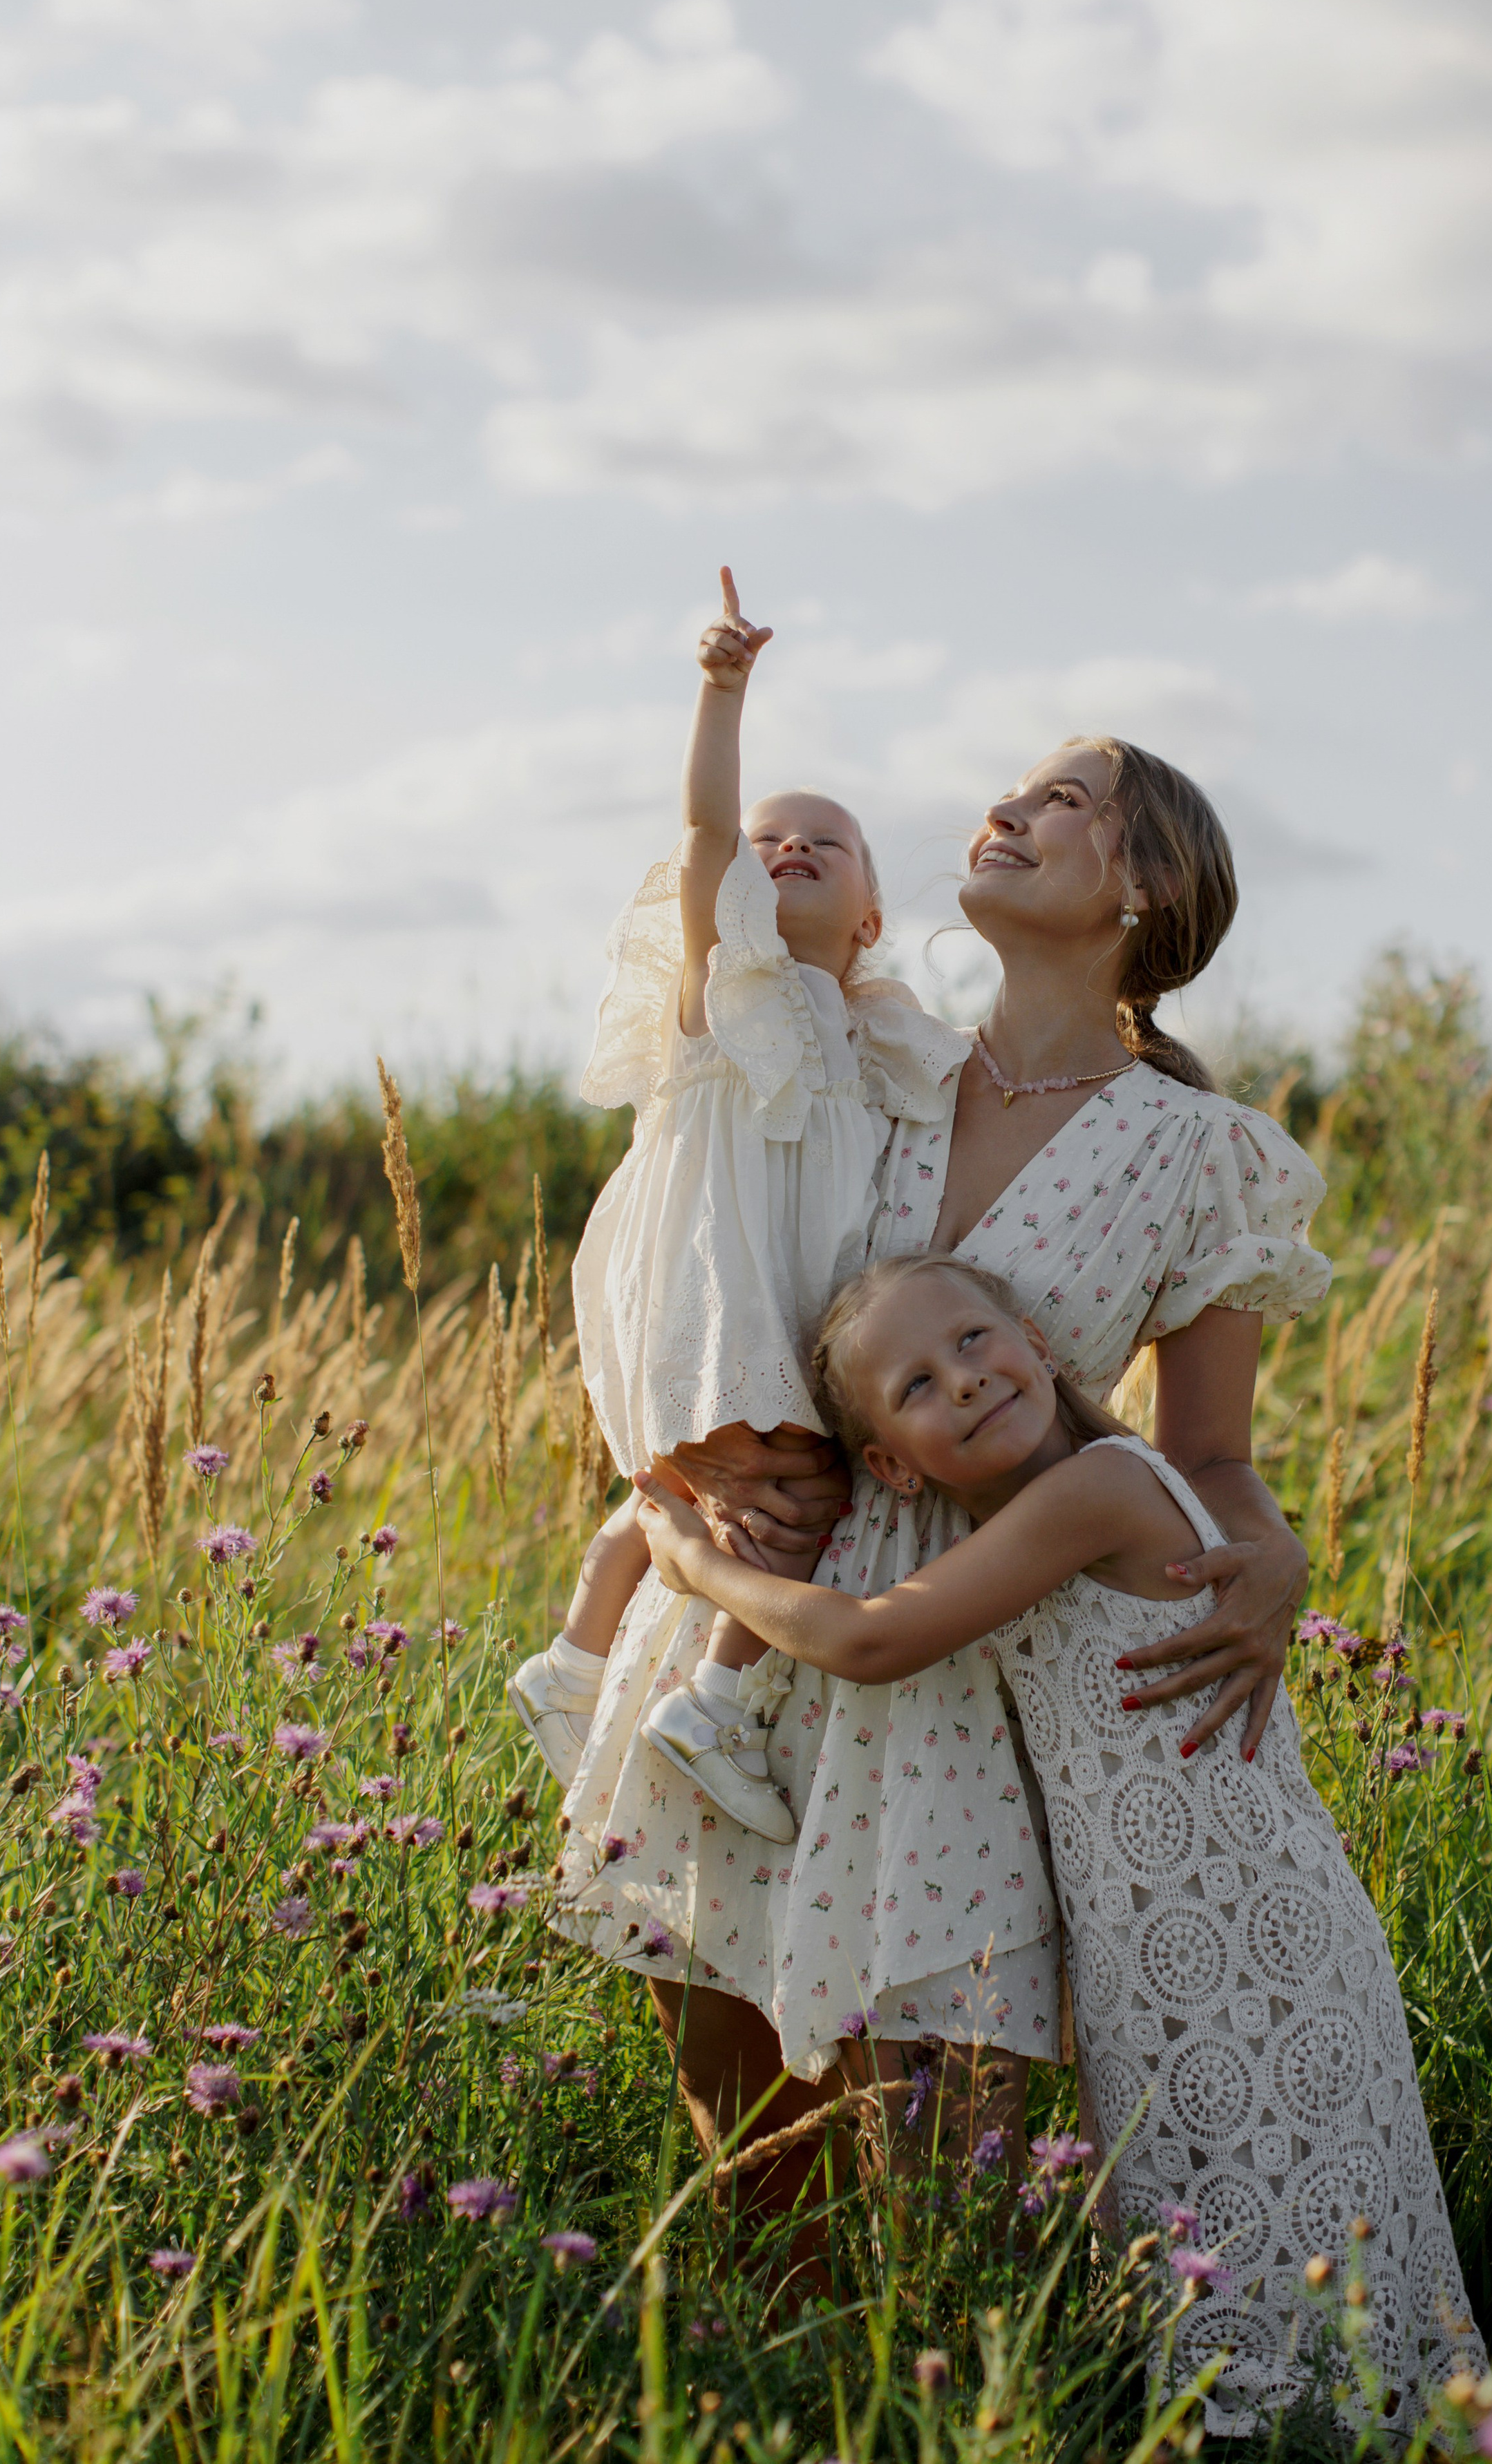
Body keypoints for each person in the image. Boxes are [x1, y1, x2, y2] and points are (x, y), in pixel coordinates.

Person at [554, 728, 1330, 2213]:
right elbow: (686, 1266)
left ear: (1143, 885)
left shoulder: (1198, 1154)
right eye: (1014, 789)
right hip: (745, 1633)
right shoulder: (861, 1057)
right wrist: (680, 1472)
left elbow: (1209, 1456)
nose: (1006, 808)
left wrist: (1272, 1552)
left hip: (960, 1677)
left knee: (936, 2195)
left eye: (1062, 800)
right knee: (752, 2173)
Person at [632, 1252, 1486, 2436]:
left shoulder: (1103, 1486)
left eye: (979, 1341)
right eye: (921, 1384)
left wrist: (692, 1564)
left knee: (1304, 2227)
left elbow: (874, 1639)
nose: (969, 1380)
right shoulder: (1027, 1523)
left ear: (1037, 1340)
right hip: (1156, 1951)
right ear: (889, 1462)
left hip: (1258, 1930)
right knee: (1212, 2231)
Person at [509, 568, 965, 1841]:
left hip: (790, 1298)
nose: (789, 847)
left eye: (826, 840)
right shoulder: (735, 985)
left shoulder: (881, 1038)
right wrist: (723, 692)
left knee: (700, 1476)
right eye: (774, 841)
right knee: (801, 1498)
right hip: (725, 1293)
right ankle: (711, 1704)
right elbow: (709, 832)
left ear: (871, 913)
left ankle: (575, 1662)